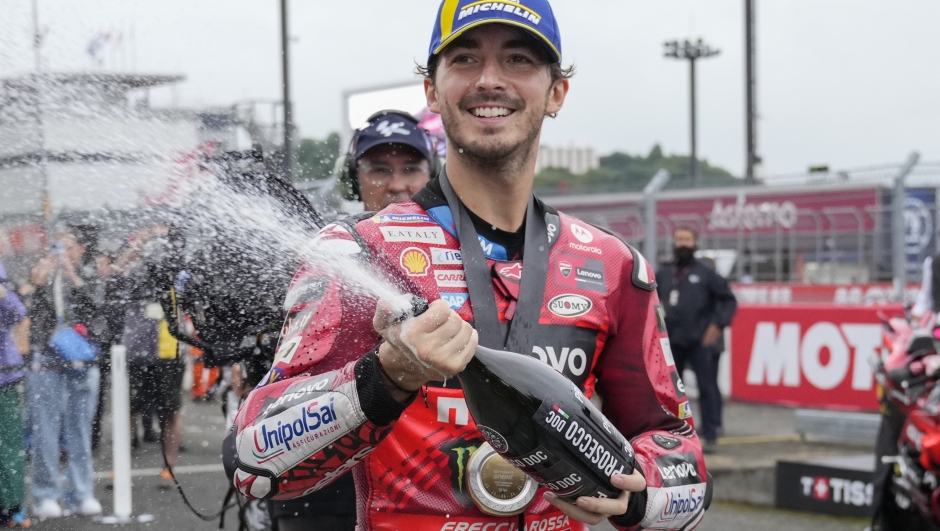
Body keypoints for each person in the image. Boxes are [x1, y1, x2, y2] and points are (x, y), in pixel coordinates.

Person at [226, 2, 710, 530]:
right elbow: (253, 461)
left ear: (556, 93)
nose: (489, 80)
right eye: (464, 60)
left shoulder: (614, 265)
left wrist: (636, 497)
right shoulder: (356, 252)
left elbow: (682, 458)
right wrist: (388, 376)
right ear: (433, 90)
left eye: (519, 59)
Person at [270, 112, 437, 531]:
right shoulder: (326, 252)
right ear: (353, 177)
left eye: (411, 169)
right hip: (325, 486)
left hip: (426, 485)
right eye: (380, 169)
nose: (397, 184)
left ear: (433, 174)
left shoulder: (464, 253)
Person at [26, 230, 103, 519]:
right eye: (58, 247)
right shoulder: (45, 272)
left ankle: (80, 492)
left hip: (82, 361)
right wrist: (47, 266)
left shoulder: (88, 274)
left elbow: (96, 305)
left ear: (81, 250)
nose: (63, 252)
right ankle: (45, 494)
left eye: (69, 247)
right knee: (45, 430)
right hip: (47, 361)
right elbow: (32, 291)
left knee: (80, 430)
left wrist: (71, 273)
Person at [655, 227, 737, 453]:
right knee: (670, 390)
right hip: (672, 341)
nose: (683, 243)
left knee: (707, 388)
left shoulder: (706, 272)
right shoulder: (664, 272)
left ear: (695, 243)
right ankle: (671, 433)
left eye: (687, 240)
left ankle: (711, 434)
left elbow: (728, 300)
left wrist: (718, 325)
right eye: (679, 239)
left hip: (701, 341)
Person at [0, 244, 30, 528]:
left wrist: (3, 296)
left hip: (4, 378)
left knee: (8, 444)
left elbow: (17, 314)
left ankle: (12, 505)